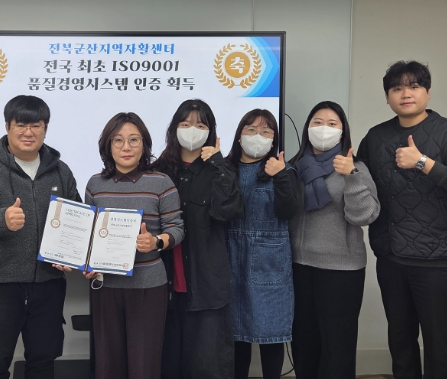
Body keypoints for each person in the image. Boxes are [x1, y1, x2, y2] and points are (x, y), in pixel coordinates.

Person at [0, 95, 81, 379]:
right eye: (21, 125)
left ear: (45, 128)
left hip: (49, 284)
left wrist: (71, 253)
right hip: (1, 285)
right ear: (7, 127)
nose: (28, 132)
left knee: (43, 361)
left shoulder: (60, 170)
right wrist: (1, 220)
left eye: (36, 125)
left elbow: (77, 217)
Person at [357, 61, 447, 379]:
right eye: (397, 88)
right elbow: (361, 185)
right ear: (387, 97)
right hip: (391, 258)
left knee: (439, 344)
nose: (405, 94)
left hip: (437, 261)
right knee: (400, 341)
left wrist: (423, 162)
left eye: (414, 86)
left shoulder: (444, 131)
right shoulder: (376, 137)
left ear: (427, 92)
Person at [83, 112, 185, 379]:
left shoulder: (161, 182)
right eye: (118, 140)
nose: (126, 147)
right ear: (108, 146)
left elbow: (177, 228)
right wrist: (87, 262)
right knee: (108, 364)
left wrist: (156, 241)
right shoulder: (95, 184)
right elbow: (87, 235)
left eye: (133, 140)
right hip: (106, 285)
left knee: (144, 364)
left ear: (144, 144)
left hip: (148, 286)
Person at [152, 99, 244, 379]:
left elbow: (228, 212)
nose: (192, 130)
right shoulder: (158, 170)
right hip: (163, 283)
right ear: (174, 128)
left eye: (200, 125)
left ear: (211, 132)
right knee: (166, 364)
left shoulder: (220, 169)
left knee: (207, 366)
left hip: (206, 284)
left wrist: (219, 164)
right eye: (186, 123)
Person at [289, 101, 380, 378]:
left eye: (332, 124)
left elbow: (366, 215)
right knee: (304, 343)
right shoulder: (294, 166)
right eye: (317, 122)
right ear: (307, 128)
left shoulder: (356, 167)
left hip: (341, 270)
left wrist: (350, 176)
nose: (323, 129)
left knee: (337, 347)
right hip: (299, 266)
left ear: (343, 131)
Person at [225, 109, 297, 379]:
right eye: (251, 130)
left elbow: (288, 211)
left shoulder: (283, 170)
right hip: (230, 259)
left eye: (266, 131)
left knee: (271, 334)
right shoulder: (226, 168)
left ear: (274, 139)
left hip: (270, 263)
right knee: (236, 335)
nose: (258, 136)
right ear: (239, 135)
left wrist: (280, 176)